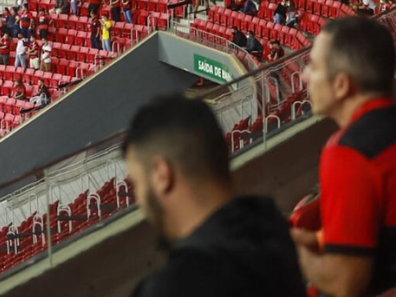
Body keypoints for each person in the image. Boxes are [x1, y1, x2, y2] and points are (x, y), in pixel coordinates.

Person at [293, 17, 396, 297]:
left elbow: (345, 285)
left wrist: (294, 252)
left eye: (313, 66)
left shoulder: (348, 154)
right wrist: (314, 240)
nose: (304, 76)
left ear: (341, 85)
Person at [124, 95, 306, 297]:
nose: (139, 199)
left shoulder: (171, 287)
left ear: (161, 175)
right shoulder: (274, 226)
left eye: (137, 184)